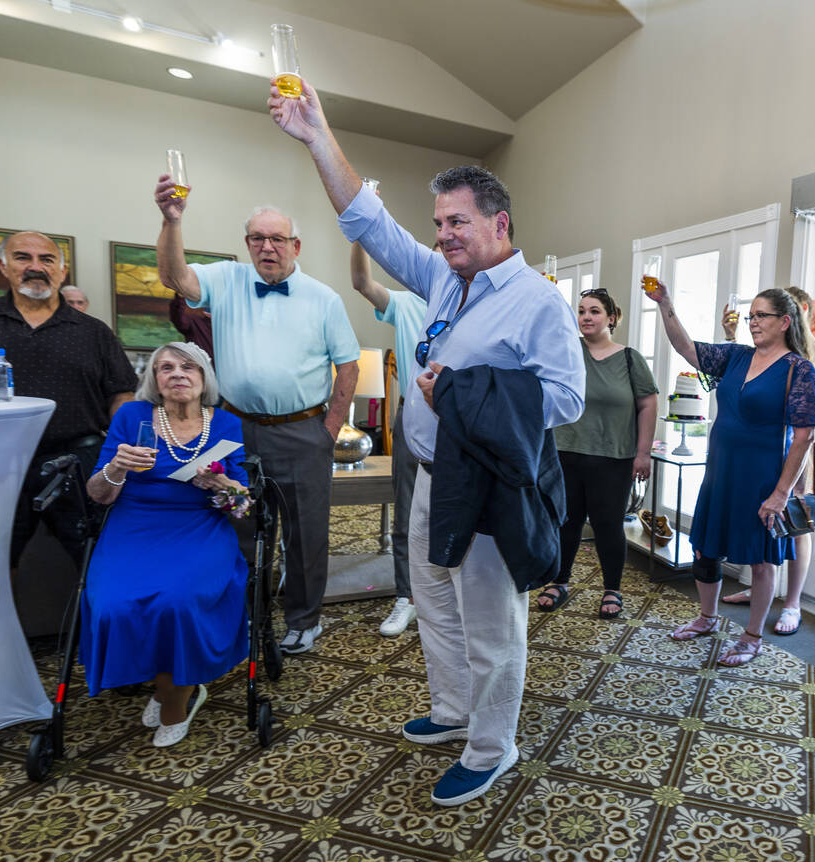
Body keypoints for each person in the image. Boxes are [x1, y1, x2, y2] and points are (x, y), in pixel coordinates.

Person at [268, 78, 584, 806]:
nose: (443, 236)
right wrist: (320, 136)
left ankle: (491, 744)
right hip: (429, 471)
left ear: (499, 225)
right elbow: (368, 224)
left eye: (458, 223)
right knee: (433, 598)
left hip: (486, 482)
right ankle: (453, 712)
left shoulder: (537, 302)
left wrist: (464, 391)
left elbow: (564, 399)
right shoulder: (446, 279)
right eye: (439, 223)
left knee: (490, 622)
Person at [153, 186, 360, 657]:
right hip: (235, 428)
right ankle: (245, 614)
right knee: (237, 525)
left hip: (303, 432)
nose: (268, 247)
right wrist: (171, 220)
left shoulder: (323, 299)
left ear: (295, 247)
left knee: (306, 533)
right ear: (247, 244)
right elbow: (173, 275)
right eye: (258, 238)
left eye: (278, 239)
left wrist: (328, 431)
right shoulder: (225, 280)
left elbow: (348, 366)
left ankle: (304, 620)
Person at [0, 231, 137, 571]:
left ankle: (93, 626)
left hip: (76, 462)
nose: (35, 267)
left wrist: (119, 452)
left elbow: (122, 393)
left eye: (46, 259)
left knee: (101, 563)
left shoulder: (93, 331)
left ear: (62, 271)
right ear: (2, 267)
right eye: (22, 257)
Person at [644, 282, 815, 666]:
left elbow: (804, 437)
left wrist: (780, 494)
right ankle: (707, 617)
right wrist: (665, 305)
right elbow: (686, 349)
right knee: (705, 548)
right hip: (720, 472)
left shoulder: (798, 369)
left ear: (784, 321)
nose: (753, 322)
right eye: (751, 316)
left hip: (762, 478)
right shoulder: (736, 357)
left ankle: (752, 636)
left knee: (761, 560)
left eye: (761, 316)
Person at [82, 342, 248, 747]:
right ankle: (165, 687)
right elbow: (98, 494)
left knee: (177, 602)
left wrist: (224, 487)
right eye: (166, 367)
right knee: (111, 604)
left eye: (188, 367)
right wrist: (116, 467)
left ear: (204, 377)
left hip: (199, 527)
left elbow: (242, 507)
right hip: (134, 527)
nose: (177, 374)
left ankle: (178, 700)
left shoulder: (225, 423)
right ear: (153, 380)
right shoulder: (131, 416)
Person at [535, 287, 658, 618]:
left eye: (594, 311)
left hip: (613, 457)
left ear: (612, 318)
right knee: (566, 522)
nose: (586, 317)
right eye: (582, 311)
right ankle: (558, 582)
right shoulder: (566, 352)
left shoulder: (630, 359)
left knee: (607, 525)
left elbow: (647, 404)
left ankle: (612, 590)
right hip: (565, 452)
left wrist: (643, 453)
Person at [722, 285, 815, 636]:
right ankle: (760, 587)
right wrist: (729, 336)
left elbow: (805, 400)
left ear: (798, 315)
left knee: (795, 520)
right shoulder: (759, 353)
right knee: (764, 524)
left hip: (797, 441)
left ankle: (793, 603)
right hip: (764, 441)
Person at [350, 239, 428, 637]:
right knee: (408, 514)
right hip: (414, 419)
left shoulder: (479, 308)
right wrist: (361, 234)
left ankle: (449, 600)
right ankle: (407, 598)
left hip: (466, 425)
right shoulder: (408, 302)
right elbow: (362, 282)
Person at [168, 294, 214, 361]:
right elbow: (180, 319)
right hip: (203, 366)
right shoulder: (194, 320)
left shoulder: (228, 322)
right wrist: (181, 295)